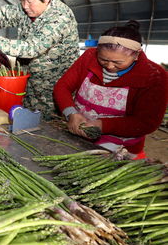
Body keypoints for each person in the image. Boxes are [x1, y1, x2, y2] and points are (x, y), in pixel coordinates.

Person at [54, 21, 168, 158]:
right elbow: (63, 86)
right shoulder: (89, 57)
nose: (109, 66)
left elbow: (147, 122)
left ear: (136, 55)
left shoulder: (154, 75)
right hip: (78, 134)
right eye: (103, 59)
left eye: (117, 63)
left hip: (120, 147)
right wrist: (71, 113)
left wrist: (102, 125)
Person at [0, 0, 79, 118]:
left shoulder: (60, 17)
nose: (24, 6)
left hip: (51, 86)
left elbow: (32, 48)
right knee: (27, 118)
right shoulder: (27, 8)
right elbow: (4, 13)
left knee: (49, 126)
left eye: (29, 1)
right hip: (28, 80)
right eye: (22, 0)